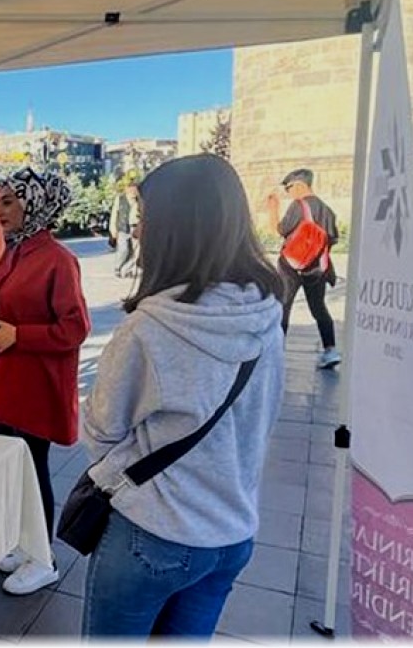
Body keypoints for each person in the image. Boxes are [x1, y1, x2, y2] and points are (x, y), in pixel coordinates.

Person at [80, 154, 285, 638]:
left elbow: (101, 432)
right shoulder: (266, 310)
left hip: (154, 533)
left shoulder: (150, 328)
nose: (138, 230)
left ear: (173, 229)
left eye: (145, 218)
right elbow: (263, 417)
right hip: (232, 534)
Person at [0, 167, 91, 596]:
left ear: (34, 204)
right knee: (14, 468)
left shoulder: (58, 259)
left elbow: (75, 328)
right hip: (10, 379)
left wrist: (18, 336)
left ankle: (44, 558)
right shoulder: (14, 251)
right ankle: (26, 542)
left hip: (37, 386)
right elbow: (8, 310)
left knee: (33, 468)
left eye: (8, 201)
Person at [275, 168, 341, 368]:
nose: (289, 193)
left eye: (289, 188)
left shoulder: (298, 206)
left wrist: (273, 210)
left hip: (291, 267)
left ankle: (276, 350)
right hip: (317, 268)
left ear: (299, 185)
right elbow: (332, 238)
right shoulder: (327, 210)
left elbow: (282, 229)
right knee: (319, 307)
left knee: (283, 305)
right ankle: (330, 350)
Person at [109, 183, 141, 278]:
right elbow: (114, 214)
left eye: (135, 190)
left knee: (136, 252)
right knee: (123, 250)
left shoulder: (139, 199)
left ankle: (130, 270)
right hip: (123, 228)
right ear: (127, 189)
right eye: (131, 189)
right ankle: (118, 267)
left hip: (135, 227)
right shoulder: (120, 199)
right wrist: (113, 229)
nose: (133, 191)